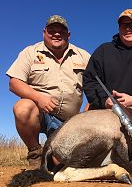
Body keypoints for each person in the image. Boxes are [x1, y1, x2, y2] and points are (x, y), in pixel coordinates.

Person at [6, 15, 90, 167]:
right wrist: (39, 98)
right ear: (44, 32)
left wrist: (87, 113)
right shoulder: (30, 52)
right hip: (40, 114)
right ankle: (35, 154)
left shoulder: (83, 56)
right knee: (22, 108)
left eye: (61, 31)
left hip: (70, 121)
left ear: (68, 35)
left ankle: (52, 156)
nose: (56, 34)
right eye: (52, 30)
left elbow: (95, 85)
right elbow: (14, 83)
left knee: (60, 164)